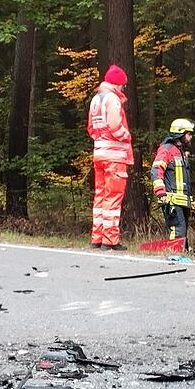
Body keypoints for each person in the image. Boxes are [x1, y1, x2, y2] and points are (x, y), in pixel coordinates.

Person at [86, 64, 133, 251]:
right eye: (123, 84)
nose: (123, 88)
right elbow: (115, 126)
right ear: (118, 83)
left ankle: (96, 238)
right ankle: (110, 240)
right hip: (114, 156)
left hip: (99, 153)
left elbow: (91, 128)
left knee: (100, 197)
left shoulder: (96, 99)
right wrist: (126, 136)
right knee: (112, 198)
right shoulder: (112, 99)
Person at [151, 118, 195, 245]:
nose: (191, 137)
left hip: (182, 201)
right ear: (180, 134)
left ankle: (182, 255)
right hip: (171, 200)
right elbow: (156, 170)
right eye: (189, 134)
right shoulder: (167, 150)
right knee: (178, 232)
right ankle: (174, 257)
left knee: (183, 233)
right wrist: (160, 192)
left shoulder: (180, 152)